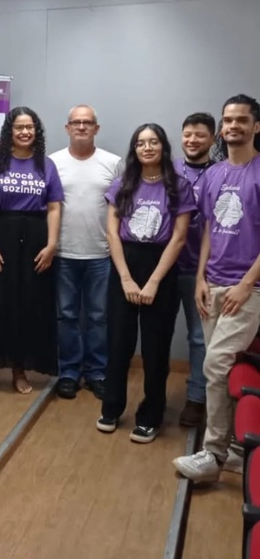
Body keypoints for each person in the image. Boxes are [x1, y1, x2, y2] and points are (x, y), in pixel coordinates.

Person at [173, 94, 260, 482]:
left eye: (241, 120)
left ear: (256, 126)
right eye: (228, 120)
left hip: (249, 289)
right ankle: (238, 449)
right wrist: (200, 278)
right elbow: (208, 228)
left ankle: (213, 454)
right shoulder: (213, 174)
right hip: (213, 284)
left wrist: (246, 284)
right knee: (221, 369)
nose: (233, 126)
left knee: (216, 363)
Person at [97, 123, 195, 443]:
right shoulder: (122, 183)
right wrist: (126, 278)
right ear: (134, 149)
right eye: (141, 143)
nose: (147, 147)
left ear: (163, 147)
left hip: (161, 268)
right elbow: (112, 234)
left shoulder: (178, 186)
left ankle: (151, 416)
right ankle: (111, 408)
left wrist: (153, 282)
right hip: (124, 264)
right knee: (118, 343)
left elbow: (179, 237)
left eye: (153, 142)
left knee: (155, 348)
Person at [0, 106, 62, 394]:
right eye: (19, 127)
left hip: (36, 240)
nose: (24, 132)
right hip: (1, 237)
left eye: (29, 127)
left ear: (36, 131)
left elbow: (55, 207)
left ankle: (20, 370)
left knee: (28, 305)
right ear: (9, 131)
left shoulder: (46, 165)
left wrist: (51, 245)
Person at [50, 106, 122, 400]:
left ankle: (97, 372)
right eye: (76, 122)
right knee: (66, 316)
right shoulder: (53, 162)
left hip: (101, 254)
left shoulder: (113, 163)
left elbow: (121, 208)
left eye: (87, 122)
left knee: (98, 317)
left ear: (96, 128)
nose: (81, 127)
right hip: (63, 253)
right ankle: (69, 372)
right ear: (67, 128)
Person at [174, 112, 215, 427]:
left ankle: (196, 399)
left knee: (199, 338)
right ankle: (154, 393)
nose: (192, 140)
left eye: (200, 135)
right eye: (187, 134)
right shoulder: (169, 171)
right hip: (164, 267)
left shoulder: (221, 173)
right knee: (157, 333)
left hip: (200, 270)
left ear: (212, 139)